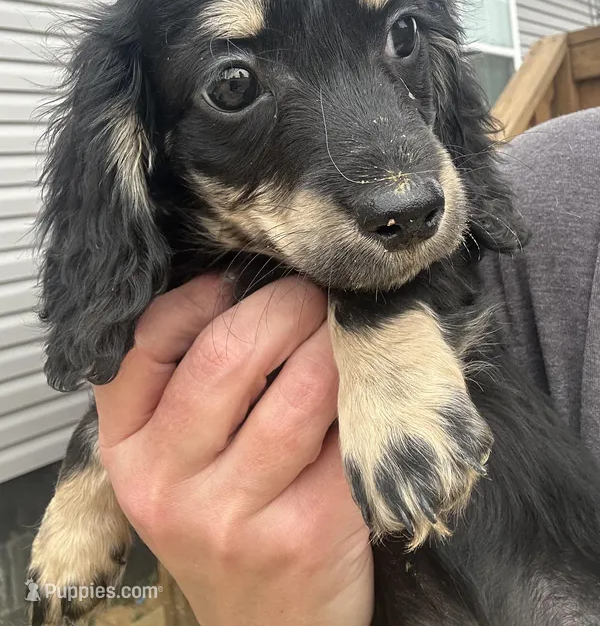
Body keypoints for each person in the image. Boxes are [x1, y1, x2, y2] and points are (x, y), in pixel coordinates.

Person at [94, 109, 600, 626]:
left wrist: (377, 316)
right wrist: (97, 453)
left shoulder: (532, 212)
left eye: (398, 55)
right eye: (234, 86)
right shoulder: (553, 185)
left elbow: (445, 273)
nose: (400, 191)